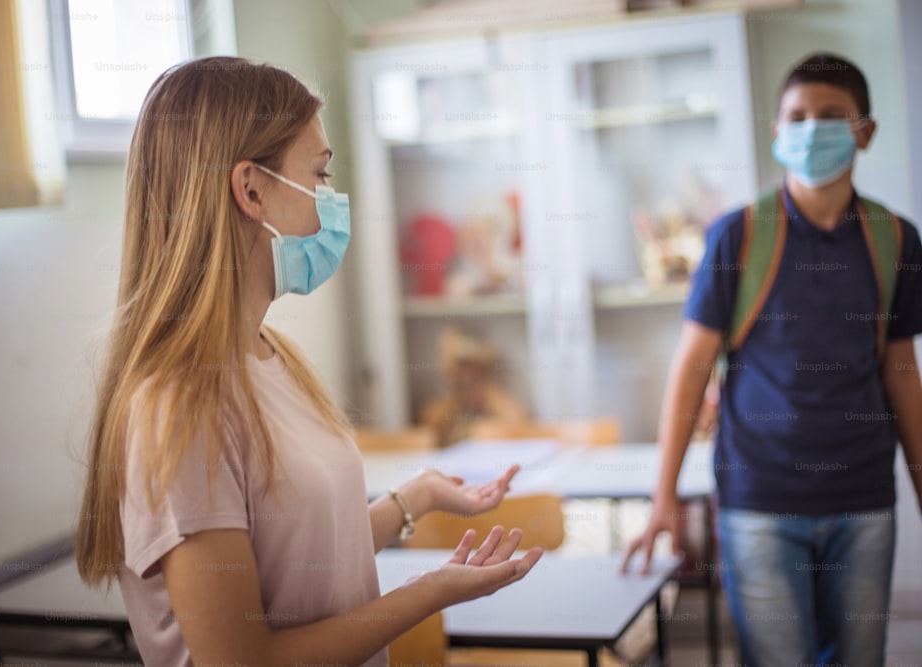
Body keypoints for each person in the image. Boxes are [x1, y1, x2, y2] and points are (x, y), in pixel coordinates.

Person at [74, 56, 543, 667]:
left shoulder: (273, 357)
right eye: (319, 176)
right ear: (250, 190)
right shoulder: (180, 404)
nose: (330, 200)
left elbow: (304, 557)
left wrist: (417, 498)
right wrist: (430, 592)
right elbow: (246, 661)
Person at [621, 52, 922, 666]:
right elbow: (690, 371)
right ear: (777, 132)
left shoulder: (896, 239)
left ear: (865, 131)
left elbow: (902, 372)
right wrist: (664, 498)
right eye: (797, 116)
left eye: (831, 116)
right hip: (759, 505)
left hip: (864, 502)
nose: (812, 129)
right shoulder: (738, 236)